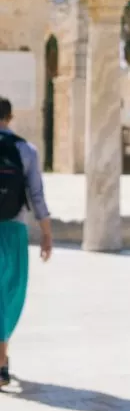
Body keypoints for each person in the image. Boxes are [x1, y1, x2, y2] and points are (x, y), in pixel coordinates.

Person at [0, 96, 53, 388]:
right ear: (10, 117)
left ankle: (2, 361)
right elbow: (37, 196)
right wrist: (46, 233)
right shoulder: (25, 150)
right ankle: (2, 360)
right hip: (13, 230)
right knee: (9, 295)